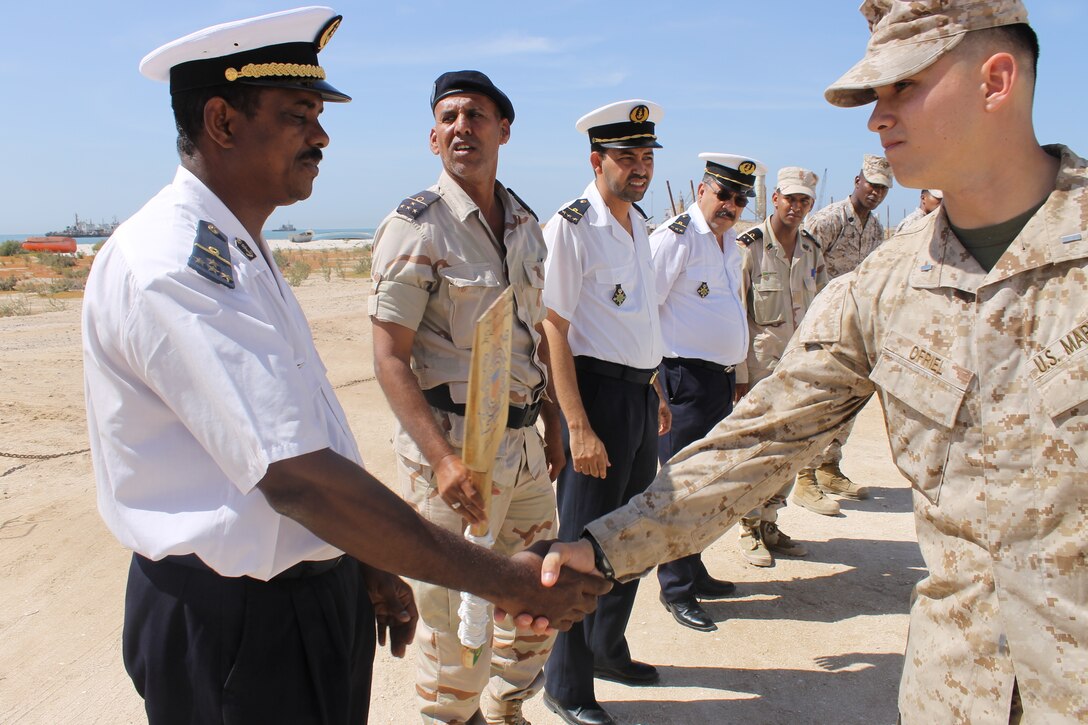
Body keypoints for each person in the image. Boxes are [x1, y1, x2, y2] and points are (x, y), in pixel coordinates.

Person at [537, 0, 1088, 721]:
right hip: (952, 696)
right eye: (874, 97)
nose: (876, 119)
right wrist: (601, 548)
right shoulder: (885, 283)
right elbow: (760, 439)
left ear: (996, 80)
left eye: (903, 88)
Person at [81, 9, 609, 724]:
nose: (322, 135)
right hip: (235, 622)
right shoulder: (174, 266)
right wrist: (504, 579)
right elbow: (297, 476)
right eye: (300, 114)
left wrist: (362, 560)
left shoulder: (243, 252)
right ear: (223, 121)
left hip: (304, 593)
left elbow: (309, 431)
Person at [368, 70, 563, 725]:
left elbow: (537, 335)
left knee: (542, 594)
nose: (461, 127)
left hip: (525, 448)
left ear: (503, 130)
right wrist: (443, 461)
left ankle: (507, 705)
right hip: (453, 453)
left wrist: (556, 419)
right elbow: (389, 357)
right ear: (432, 137)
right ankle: (452, 717)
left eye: (476, 115)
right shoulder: (415, 227)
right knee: (452, 619)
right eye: (448, 117)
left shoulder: (527, 224)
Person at [540, 99, 671, 725]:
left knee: (634, 533)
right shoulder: (570, 226)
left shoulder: (640, 222)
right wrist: (578, 425)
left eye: (646, 157)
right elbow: (554, 328)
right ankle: (565, 682)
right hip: (595, 398)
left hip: (641, 394)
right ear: (597, 160)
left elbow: (642, 316)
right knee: (581, 540)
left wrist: (658, 389)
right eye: (627, 157)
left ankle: (607, 648)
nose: (639, 168)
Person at [648, 153, 759, 630]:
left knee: (707, 482)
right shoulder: (675, 238)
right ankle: (675, 587)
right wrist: (654, 386)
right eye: (724, 194)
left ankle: (692, 570)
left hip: (715, 379)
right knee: (679, 487)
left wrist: (736, 374)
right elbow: (643, 308)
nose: (731, 205)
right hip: (681, 380)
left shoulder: (728, 240)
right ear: (701, 189)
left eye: (739, 199)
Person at [733, 166, 830, 566]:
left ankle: (770, 520)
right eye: (790, 198)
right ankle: (748, 526)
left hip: (801, 371)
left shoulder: (812, 250)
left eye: (804, 200)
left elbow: (824, 309)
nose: (797, 206)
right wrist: (737, 377)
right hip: (760, 372)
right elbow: (736, 314)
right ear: (775, 198)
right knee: (758, 451)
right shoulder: (749, 247)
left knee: (793, 448)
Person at [796, 153, 893, 504]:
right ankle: (805, 476)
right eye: (871, 185)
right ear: (857, 181)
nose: (876, 193)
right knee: (818, 404)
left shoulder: (877, 229)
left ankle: (828, 468)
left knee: (848, 403)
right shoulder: (829, 219)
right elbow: (801, 262)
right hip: (821, 326)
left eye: (883, 188)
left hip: (851, 328)